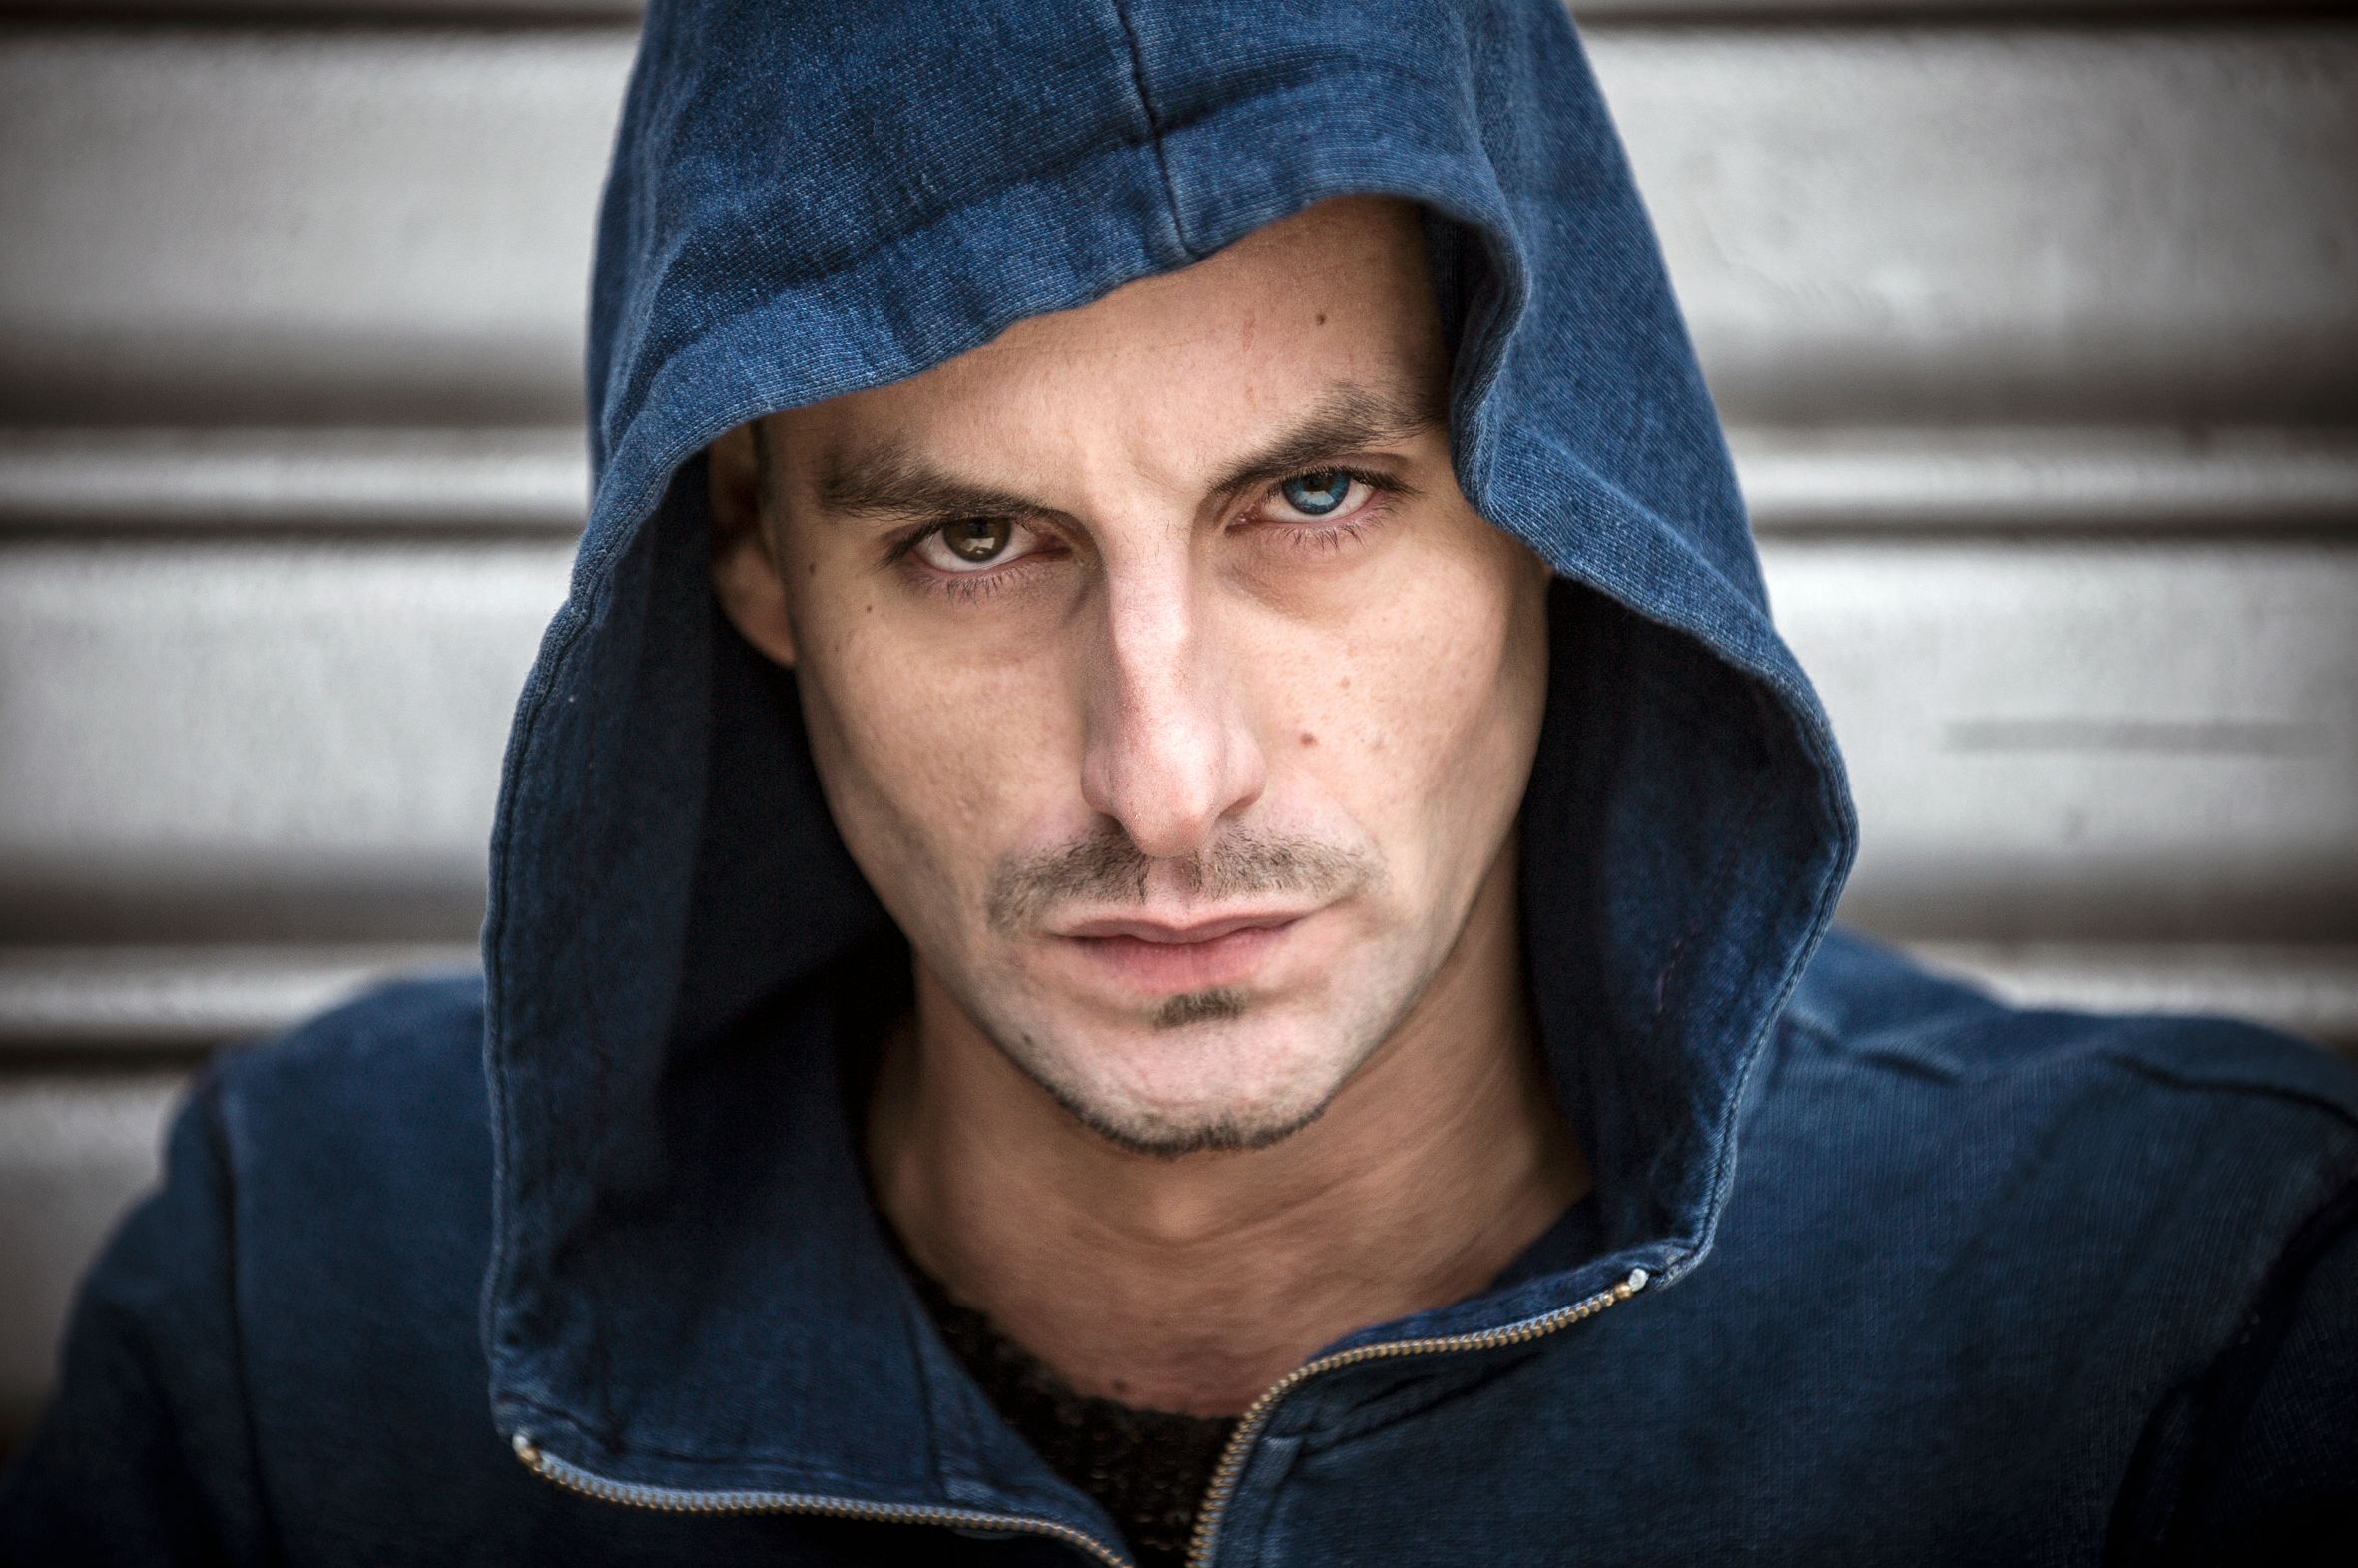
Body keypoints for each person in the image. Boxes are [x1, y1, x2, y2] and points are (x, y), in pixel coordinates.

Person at [4, 0, 2354, 1562]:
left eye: (1311, 500)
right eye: (972, 541)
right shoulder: (318, 1305)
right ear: (744, 554)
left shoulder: (2165, 1324)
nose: (1163, 777)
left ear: (1557, 507)